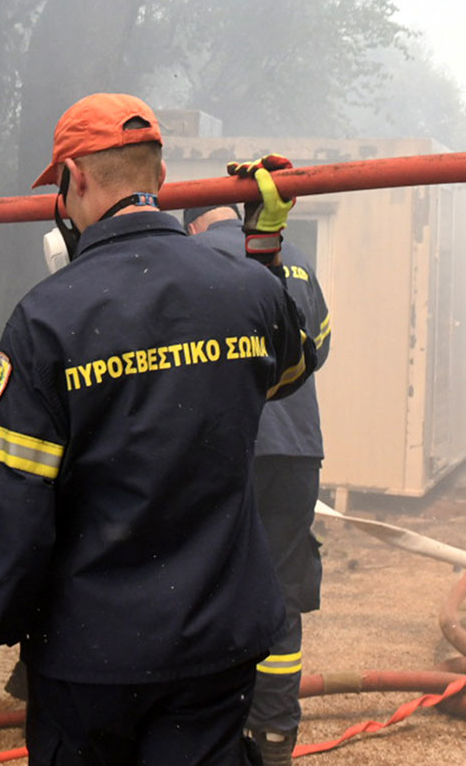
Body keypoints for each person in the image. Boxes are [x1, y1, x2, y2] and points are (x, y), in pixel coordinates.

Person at [0, 93, 319, 765]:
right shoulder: (244, 287)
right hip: (215, 645)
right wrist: (265, 246)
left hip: (93, 656)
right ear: (159, 180)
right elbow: (291, 368)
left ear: (74, 178)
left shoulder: (47, 318)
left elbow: (9, 505)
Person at [185, 204, 332, 764]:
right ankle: (272, 735)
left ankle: (211, 727)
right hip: (296, 448)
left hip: (225, 443)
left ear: (193, 221)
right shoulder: (293, 258)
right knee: (280, 589)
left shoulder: (189, 257)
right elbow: (317, 346)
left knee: (207, 579)